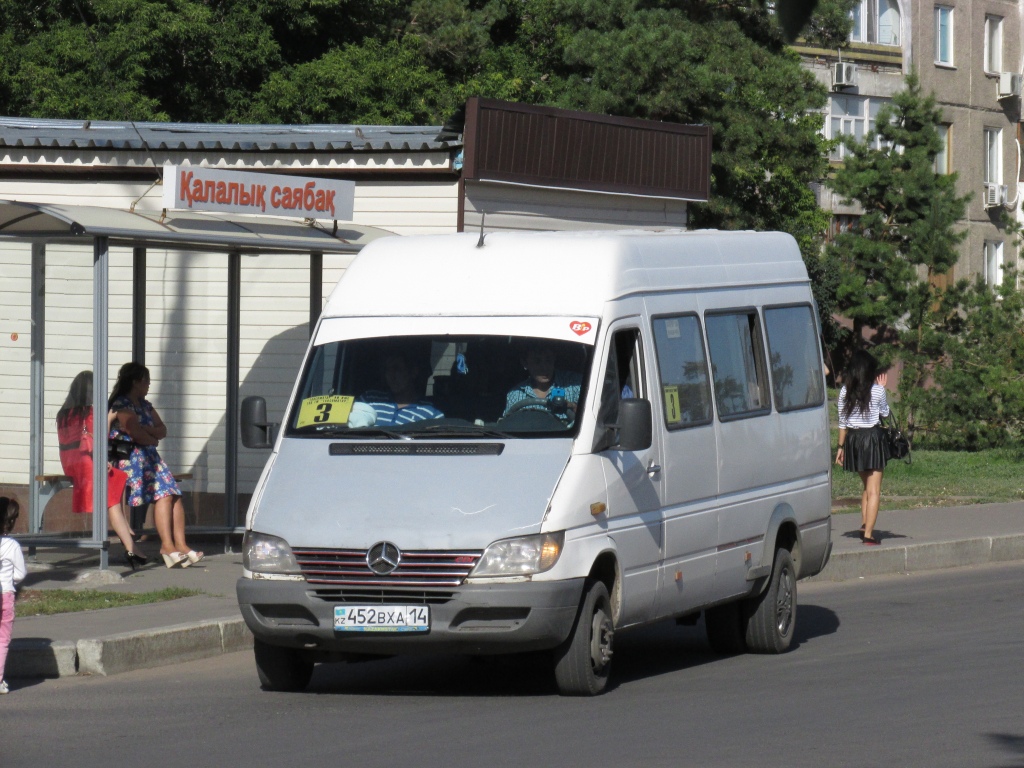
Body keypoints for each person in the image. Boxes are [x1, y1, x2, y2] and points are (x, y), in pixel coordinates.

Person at [109, 362, 202, 569]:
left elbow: (162, 429)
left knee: (175, 494)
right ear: (135, 382)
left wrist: (147, 433)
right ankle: (166, 546)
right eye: (146, 381)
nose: (149, 385)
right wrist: (149, 435)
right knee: (164, 494)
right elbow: (134, 432)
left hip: (150, 457)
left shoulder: (144, 405)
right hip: (132, 460)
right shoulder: (122, 404)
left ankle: (181, 545)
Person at [56, 372, 147, 570]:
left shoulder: (63, 413)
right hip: (88, 462)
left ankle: (131, 544)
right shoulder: (91, 411)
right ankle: (131, 546)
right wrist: (110, 417)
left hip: (70, 462)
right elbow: (98, 438)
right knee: (113, 499)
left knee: (116, 482)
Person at [836, 350, 891, 546]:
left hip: (853, 441)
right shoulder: (877, 390)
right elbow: (885, 412)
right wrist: (882, 388)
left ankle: (863, 523)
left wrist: (840, 447)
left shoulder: (844, 391)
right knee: (874, 489)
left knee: (867, 487)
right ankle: (868, 534)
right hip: (872, 439)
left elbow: (842, 422)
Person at [503, 341, 582, 422]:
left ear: (554, 359)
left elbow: (588, 413)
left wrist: (571, 406)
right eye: (537, 362)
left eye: (548, 360)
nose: (544, 367)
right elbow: (508, 425)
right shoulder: (515, 394)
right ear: (525, 363)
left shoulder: (573, 383)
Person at [359, 352, 443, 426]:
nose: (391, 376)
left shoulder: (430, 413)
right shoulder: (369, 400)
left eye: (397, 369)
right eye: (388, 370)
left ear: (413, 372)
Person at [0, 497, 26, 695]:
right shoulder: (12, 545)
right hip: (5, 595)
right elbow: (20, 574)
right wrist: (10, 579)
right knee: (2, 640)